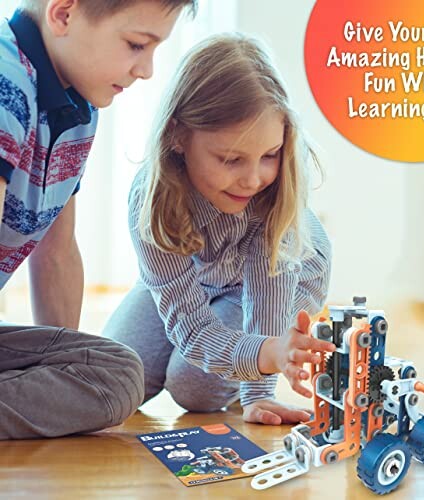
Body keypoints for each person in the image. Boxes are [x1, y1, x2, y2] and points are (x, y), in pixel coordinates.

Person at [103, 33, 335, 426]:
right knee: (115, 377)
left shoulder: (269, 201)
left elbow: (266, 301)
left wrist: (259, 386)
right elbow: (191, 327)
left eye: (270, 155)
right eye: (231, 159)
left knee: (193, 390)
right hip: (197, 273)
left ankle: (228, 367)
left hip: (270, 281)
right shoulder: (151, 198)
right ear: (178, 136)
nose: (252, 178)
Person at [0, 0, 197, 439]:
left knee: (120, 370)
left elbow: (57, 252)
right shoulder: (5, 81)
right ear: (63, 14)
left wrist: (59, 360)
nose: (146, 70)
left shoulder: (78, 110)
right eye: (135, 45)